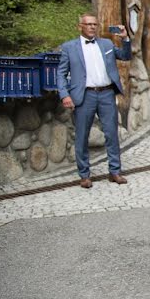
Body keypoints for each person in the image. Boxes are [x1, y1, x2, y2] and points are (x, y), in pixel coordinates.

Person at [57, 14, 132, 188]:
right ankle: (84, 175)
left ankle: (115, 171)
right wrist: (64, 95)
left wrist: (125, 39)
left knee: (111, 133)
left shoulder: (106, 43)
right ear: (80, 26)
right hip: (84, 95)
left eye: (95, 24)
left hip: (106, 94)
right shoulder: (69, 47)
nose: (92, 27)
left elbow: (125, 56)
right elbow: (60, 74)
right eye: (88, 24)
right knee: (82, 136)